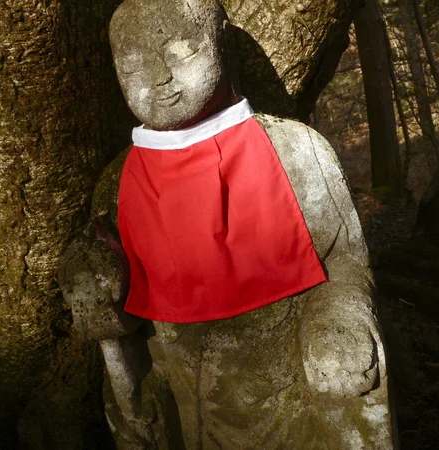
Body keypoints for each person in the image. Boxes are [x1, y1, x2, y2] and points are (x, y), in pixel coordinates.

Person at [59, 0, 395, 447]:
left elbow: (345, 259)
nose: (160, 77)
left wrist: (340, 311)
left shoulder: (297, 151)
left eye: (182, 52)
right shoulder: (119, 182)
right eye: (136, 64)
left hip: (289, 385)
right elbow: (112, 300)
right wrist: (95, 289)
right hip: (180, 399)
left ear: (221, 43)